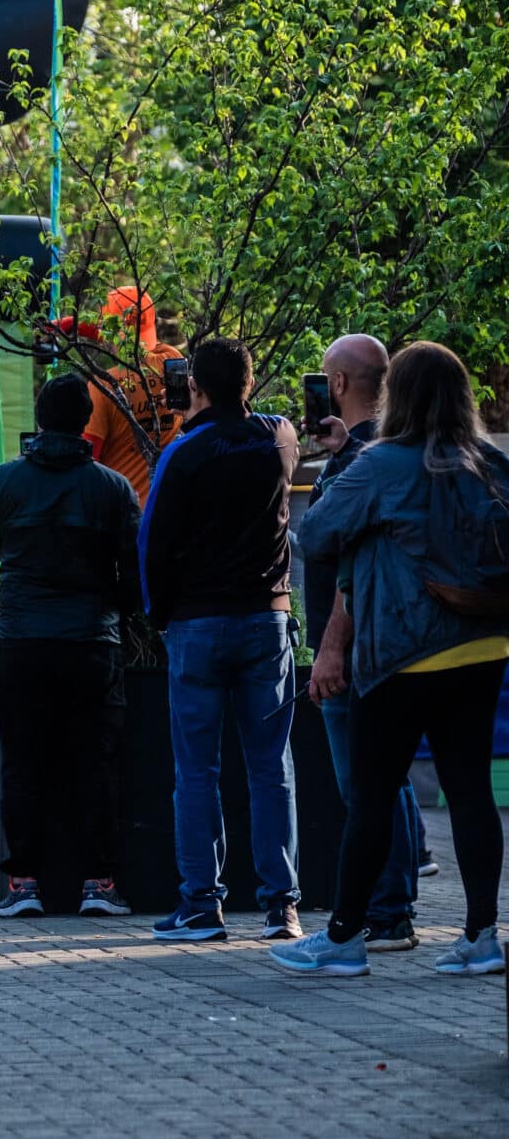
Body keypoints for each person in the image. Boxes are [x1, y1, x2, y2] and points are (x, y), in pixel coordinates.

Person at [277, 341, 509, 977]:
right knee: (468, 792)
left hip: (405, 650)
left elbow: (318, 534)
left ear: (395, 396)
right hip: (486, 644)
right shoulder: (488, 462)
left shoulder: (382, 464)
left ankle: (346, 938)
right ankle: (482, 936)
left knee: (373, 795)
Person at [140, 338, 302, 943]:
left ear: (192, 388)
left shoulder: (183, 454)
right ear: (250, 384)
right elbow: (285, 431)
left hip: (199, 626)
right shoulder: (277, 440)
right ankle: (282, 906)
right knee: (271, 768)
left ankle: (202, 906)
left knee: (197, 770)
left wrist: (161, 617)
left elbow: (153, 545)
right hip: (267, 620)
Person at [0, 373, 141, 919]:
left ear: (40, 421)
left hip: (21, 640)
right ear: (85, 422)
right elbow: (132, 571)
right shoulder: (113, 487)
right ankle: (100, 882)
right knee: (97, 763)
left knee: (23, 762)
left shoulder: (3, 481)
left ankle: (23, 883)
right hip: (92, 640)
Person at [297, 334, 421, 952]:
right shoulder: (386, 451)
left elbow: (340, 557)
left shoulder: (363, 464)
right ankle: (394, 902)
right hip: (391, 641)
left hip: (351, 647)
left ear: (339, 386)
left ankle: (388, 910)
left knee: (364, 786)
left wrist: (329, 649)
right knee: (385, 779)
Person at [82, 286, 183, 504]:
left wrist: (68, 327)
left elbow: (87, 462)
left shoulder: (102, 387)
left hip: (121, 515)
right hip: (165, 512)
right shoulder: (171, 361)